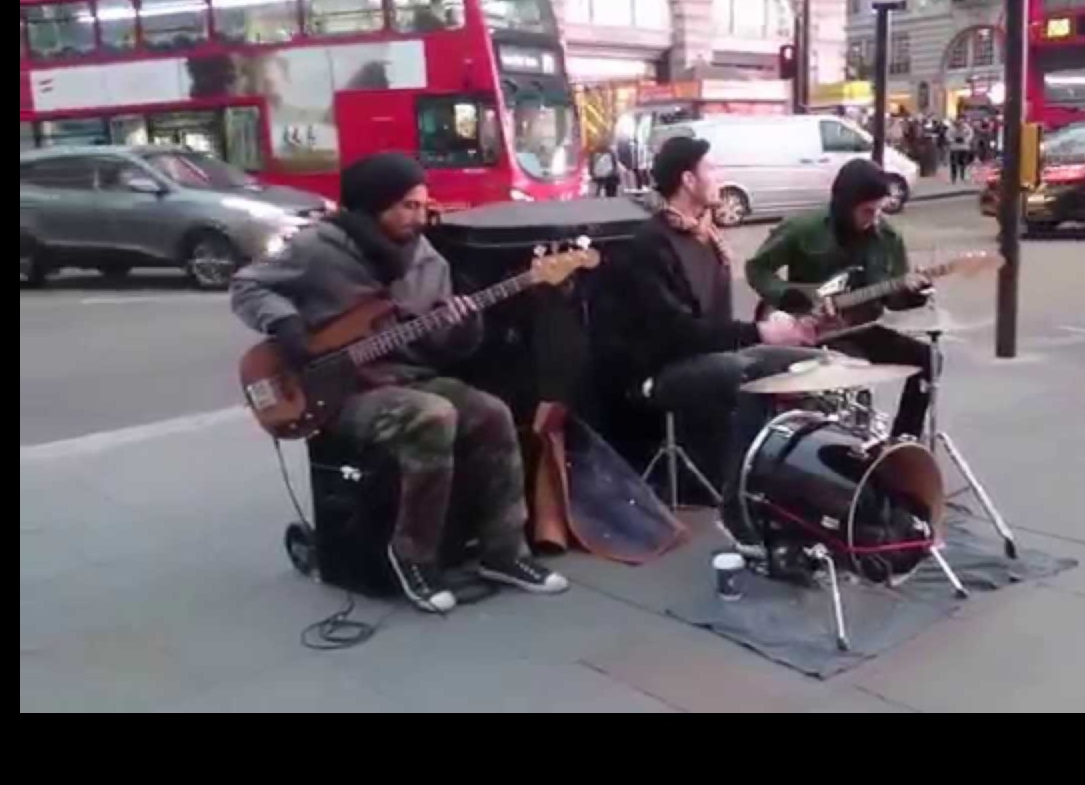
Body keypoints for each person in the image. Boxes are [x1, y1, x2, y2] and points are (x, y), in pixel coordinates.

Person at [230, 152, 569, 615]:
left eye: (423, 205)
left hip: (405, 378)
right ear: (374, 206)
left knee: (491, 412)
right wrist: (287, 326)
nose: (419, 216)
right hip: (338, 395)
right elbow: (248, 286)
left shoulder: (430, 262)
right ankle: (413, 557)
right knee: (431, 415)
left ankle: (504, 551)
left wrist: (462, 325)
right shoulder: (318, 248)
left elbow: (448, 350)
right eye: (407, 206)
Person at [596, 136, 819, 549]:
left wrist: (780, 329)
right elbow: (676, 333)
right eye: (711, 170)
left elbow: (719, 326)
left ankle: (798, 486)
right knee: (746, 372)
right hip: (657, 370)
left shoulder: (707, 238)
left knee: (810, 362)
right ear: (687, 179)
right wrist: (757, 335)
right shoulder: (651, 244)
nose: (719, 178)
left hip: (710, 355)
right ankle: (736, 508)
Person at [746, 159, 934, 440]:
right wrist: (788, 296)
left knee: (927, 358)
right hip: (808, 330)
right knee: (853, 374)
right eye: (866, 211)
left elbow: (891, 300)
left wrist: (911, 294)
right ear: (845, 205)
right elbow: (757, 269)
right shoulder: (803, 228)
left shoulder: (888, 238)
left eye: (879, 210)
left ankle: (902, 442)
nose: (874, 218)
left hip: (861, 328)